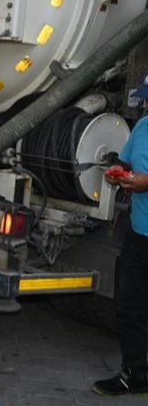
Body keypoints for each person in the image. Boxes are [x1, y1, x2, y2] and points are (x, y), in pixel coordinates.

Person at [92, 75, 148, 396]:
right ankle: (135, 373)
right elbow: (127, 163)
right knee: (130, 306)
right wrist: (118, 174)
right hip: (140, 233)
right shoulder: (142, 128)